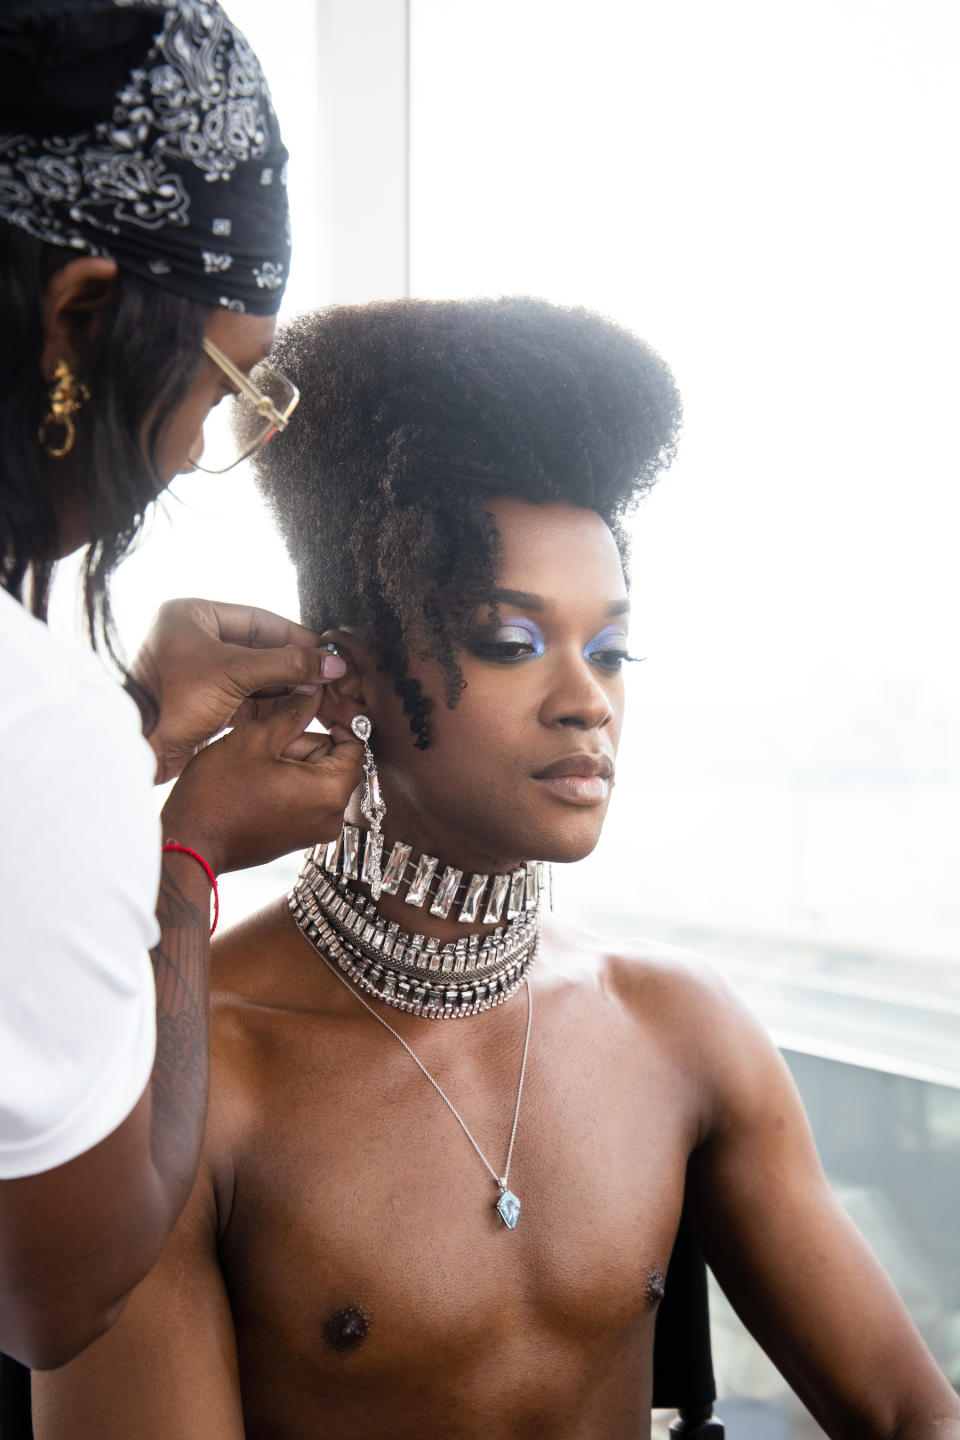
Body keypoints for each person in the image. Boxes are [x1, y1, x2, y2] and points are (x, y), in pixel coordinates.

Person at [33, 299, 960, 1438]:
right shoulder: (196, 1078)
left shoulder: (682, 1033)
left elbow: (920, 1417)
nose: (588, 701)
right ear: (351, 676)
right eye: (512, 643)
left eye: (612, 650)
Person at [0, 0, 361, 1371]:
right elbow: (62, 1292)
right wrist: (188, 866)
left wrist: (136, 732)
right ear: (79, 314)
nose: (191, 451)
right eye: (223, 393)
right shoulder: (33, 720)